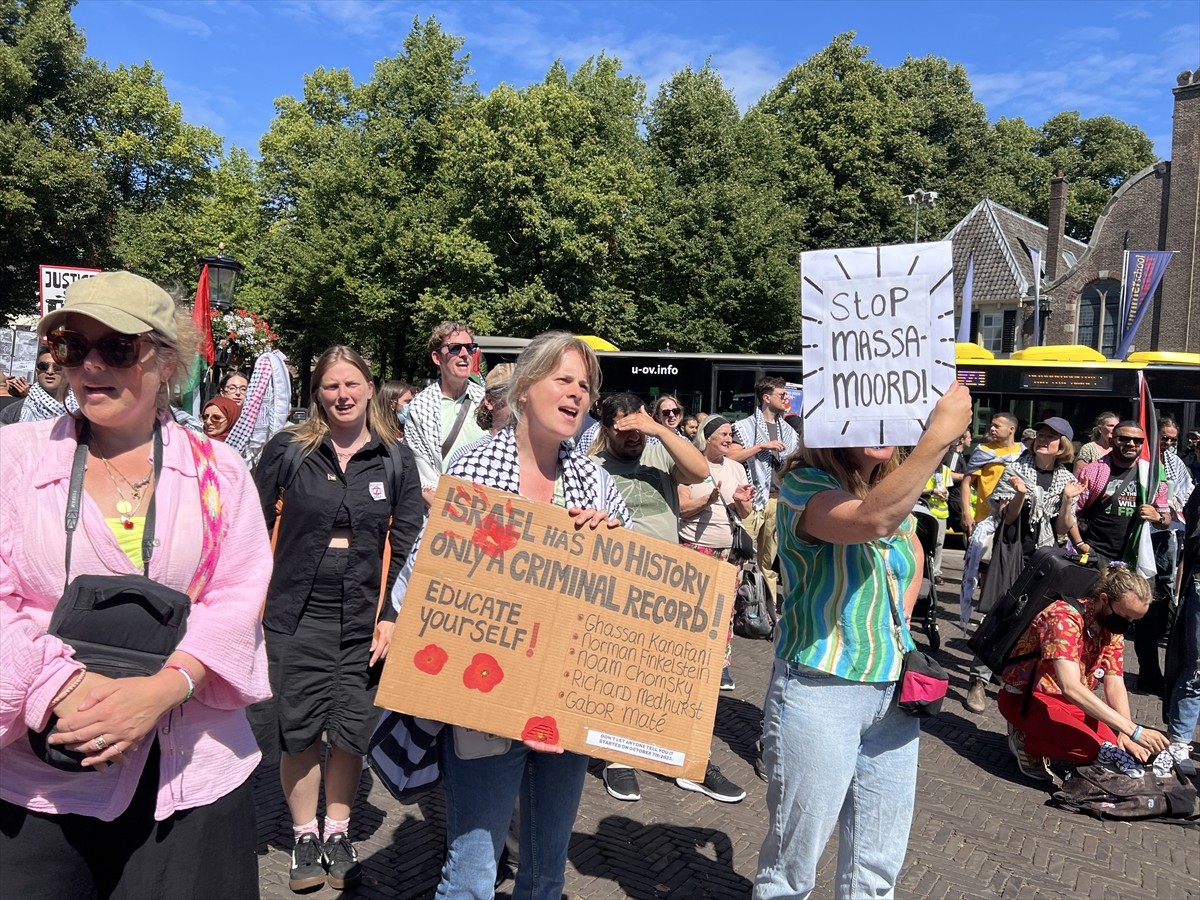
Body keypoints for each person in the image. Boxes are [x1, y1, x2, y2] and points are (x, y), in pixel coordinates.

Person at [0, 270, 272, 897]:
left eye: (117, 348)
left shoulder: (219, 471)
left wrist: (162, 689)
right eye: (72, 346)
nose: (91, 364)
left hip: (188, 777)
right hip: (40, 781)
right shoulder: (16, 457)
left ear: (166, 362)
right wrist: (58, 685)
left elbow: (238, 596)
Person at [418, 331, 629, 900]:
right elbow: (426, 569)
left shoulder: (594, 481)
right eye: (563, 379)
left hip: (564, 700)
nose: (577, 394)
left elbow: (626, 589)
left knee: (545, 871)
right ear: (527, 388)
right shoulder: (477, 467)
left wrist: (612, 546)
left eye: (585, 385)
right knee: (472, 870)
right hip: (486, 695)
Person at [753, 382, 972, 899]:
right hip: (821, 688)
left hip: (892, 694)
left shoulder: (893, 486)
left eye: (891, 417)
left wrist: (895, 630)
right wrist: (936, 439)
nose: (882, 429)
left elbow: (911, 555)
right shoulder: (803, 485)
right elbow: (874, 520)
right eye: (866, 416)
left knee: (876, 870)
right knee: (791, 871)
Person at [255, 346, 423, 893]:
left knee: (352, 729)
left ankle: (339, 830)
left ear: (370, 388)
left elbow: (408, 543)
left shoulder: (395, 457)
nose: (343, 395)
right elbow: (249, 527)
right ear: (316, 393)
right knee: (298, 727)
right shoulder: (288, 450)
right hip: (295, 612)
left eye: (352, 384)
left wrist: (394, 616)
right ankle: (304, 834)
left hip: (366, 617)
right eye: (331, 386)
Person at [590, 393, 744, 804]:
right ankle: (618, 759)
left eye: (638, 430)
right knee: (621, 670)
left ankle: (688, 759)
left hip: (670, 581)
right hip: (618, 582)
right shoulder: (592, 468)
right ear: (606, 429)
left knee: (681, 672)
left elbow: (697, 471)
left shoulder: (659, 456)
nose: (633, 440)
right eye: (624, 431)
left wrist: (656, 428)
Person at [998, 565, 1173, 782]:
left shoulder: (1111, 628)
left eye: (1134, 621)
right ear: (1104, 599)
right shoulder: (1064, 617)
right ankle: (1025, 739)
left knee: (1113, 747)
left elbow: (1114, 681)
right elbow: (1070, 686)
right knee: (1094, 750)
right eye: (1125, 616)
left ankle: (1049, 735)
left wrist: (1126, 733)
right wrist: (1135, 730)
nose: (1128, 625)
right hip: (1028, 698)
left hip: (1070, 703)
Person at [679, 416, 754, 691]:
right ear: (707, 437)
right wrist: (706, 500)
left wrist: (742, 502)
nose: (728, 439)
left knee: (725, 611)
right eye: (722, 434)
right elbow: (682, 508)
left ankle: (720, 666)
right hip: (695, 548)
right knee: (692, 609)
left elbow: (745, 513)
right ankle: (688, 660)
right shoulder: (689, 465)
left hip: (730, 552)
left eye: (730, 434)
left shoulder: (736, 468)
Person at [961, 411, 1023, 712]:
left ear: (1012, 429)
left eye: (997, 425)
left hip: (1019, 540)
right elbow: (967, 482)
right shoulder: (983, 452)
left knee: (1017, 612)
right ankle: (979, 676)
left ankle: (1000, 668)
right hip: (989, 532)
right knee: (994, 605)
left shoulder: (1024, 455)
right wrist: (968, 513)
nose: (991, 429)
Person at [730, 377, 799, 608]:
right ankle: (732, 605)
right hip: (752, 500)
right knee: (740, 555)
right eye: (782, 395)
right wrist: (761, 446)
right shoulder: (744, 427)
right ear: (766, 398)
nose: (786, 399)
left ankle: (767, 611)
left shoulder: (788, 431)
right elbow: (731, 457)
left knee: (768, 562)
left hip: (777, 500)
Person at [405, 321, 486, 506]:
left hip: (489, 511)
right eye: (455, 348)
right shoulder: (420, 407)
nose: (465, 354)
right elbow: (422, 477)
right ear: (436, 358)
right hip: (444, 512)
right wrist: (452, 515)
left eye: (470, 348)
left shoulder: (487, 401)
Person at [0, 346, 68, 424]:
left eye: (57, 367)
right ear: (37, 372)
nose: (50, 371)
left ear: (68, 372)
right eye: (43, 366)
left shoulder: (80, 410)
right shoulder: (12, 413)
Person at [1074, 411, 1119, 476]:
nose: (1114, 429)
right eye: (1111, 426)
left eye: (1117, 426)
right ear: (1100, 429)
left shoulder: (1119, 448)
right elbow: (1078, 475)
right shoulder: (1088, 449)